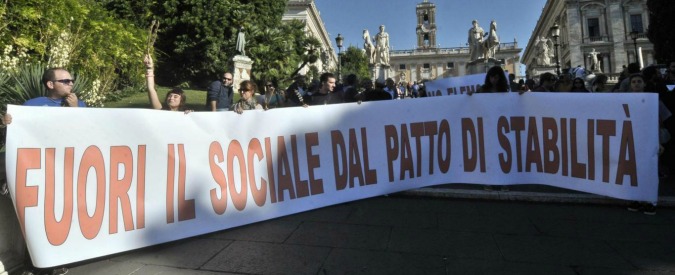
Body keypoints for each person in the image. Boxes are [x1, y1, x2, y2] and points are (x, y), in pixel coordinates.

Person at [2, 67, 79, 275]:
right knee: (36, 219)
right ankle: (33, 264)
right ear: (50, 84)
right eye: (65, 81)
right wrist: (8, 123)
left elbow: (86, 133)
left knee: (63, 216)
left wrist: (75, 110)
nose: (71, 84)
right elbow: (19, 135)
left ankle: (59, 260)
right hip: (40, 170)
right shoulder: (30, 106)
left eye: (71, 80)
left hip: (67, 170)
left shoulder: (78, 105)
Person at [625, 73, 671, 215]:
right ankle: (636, 199)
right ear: (630, 85)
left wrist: (659, 142)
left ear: (644, 84)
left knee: (650, 171)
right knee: (633, 171)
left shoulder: (654, 100)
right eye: (634, 82)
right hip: (631, 139)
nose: (637, 84)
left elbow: (661, 121)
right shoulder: (624, 100)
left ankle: (651, 201)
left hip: (649, 139)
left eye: (639, 81)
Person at [468, 65, 510, 192]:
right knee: (488, 154)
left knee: (503, 154)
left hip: (502, 126)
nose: (493, 80)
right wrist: (471, 95)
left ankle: (504, 181)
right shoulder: (482, 89)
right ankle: (488, 181)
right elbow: (474, 102)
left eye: (496, 77)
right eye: (491, 77)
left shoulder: (506, 90)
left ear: (500, 78)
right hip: (487, 126)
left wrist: (521, 95)